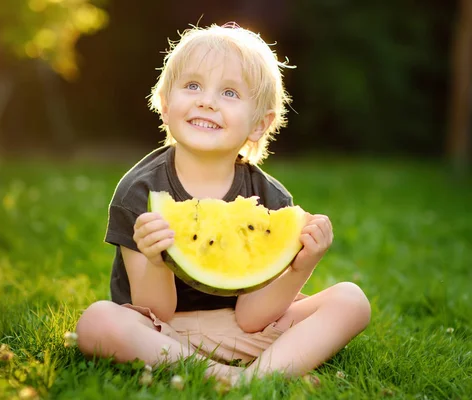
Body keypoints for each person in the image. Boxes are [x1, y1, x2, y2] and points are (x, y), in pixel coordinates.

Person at [76, 23, 371, 384]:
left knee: (351, 300)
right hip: (160, 334)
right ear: (166, 105)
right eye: (193, 86)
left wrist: (302, 265)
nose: (207, 101)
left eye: (229, 93)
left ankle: (251, 377)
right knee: (98, 321)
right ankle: (236, 376)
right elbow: (158, 312)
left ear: (259, 125)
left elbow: (251, 318)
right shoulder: (139, 192)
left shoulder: (272, 201)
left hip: (242, 332)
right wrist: (155, 260)